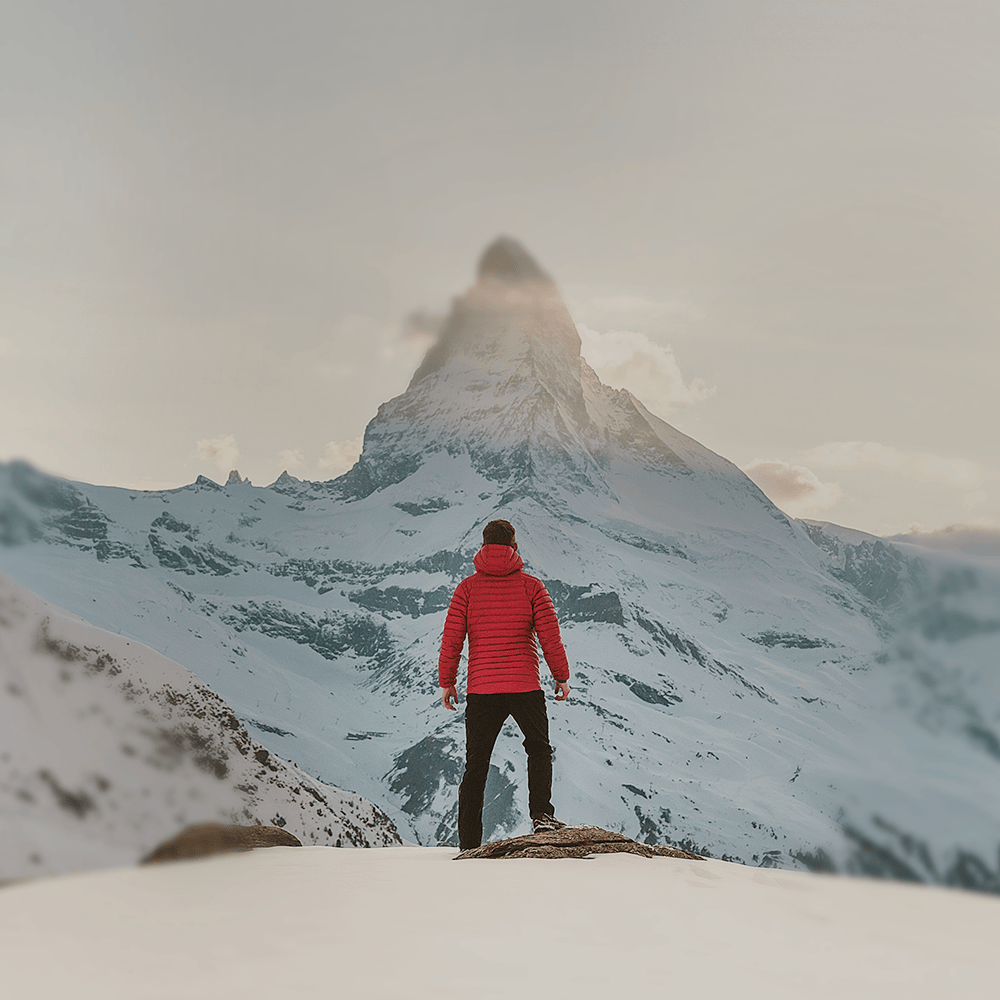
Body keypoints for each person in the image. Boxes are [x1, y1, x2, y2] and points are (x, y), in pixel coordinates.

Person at [439, 518, 571, 850]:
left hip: (482, 689)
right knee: (538, 749)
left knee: (476, 763)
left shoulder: (466, 589)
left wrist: (447, 682)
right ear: (514, 546)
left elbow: (452, 639)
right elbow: (550, 637)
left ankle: (469, 842)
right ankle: (542, 817)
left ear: (483, 546)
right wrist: (561, 677)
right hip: (525, 685)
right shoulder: (532, 586)